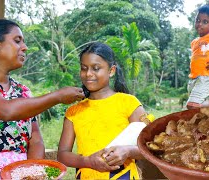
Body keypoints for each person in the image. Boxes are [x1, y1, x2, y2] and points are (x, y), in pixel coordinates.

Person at [0, 19, 85, 180]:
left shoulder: (23, 91)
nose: (24, 47)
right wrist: (57, 96)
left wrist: (33, 173)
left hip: (19, 174)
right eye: (17, 41)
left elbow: (35, 140)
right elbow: (5, 110)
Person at [57, 42, 147, 179]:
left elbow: (149, 147)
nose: (88, 74)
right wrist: (87, 161)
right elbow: (63, 155)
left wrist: (127, 151)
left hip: (124, 175)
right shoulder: (73, 112)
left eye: (96, 68)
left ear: (111, 71)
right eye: (84, 68)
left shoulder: (129, 103)